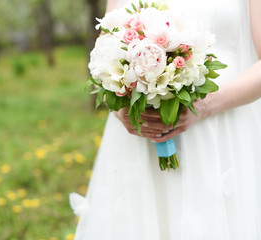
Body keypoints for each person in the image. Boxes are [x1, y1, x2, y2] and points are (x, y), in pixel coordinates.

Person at [70, 0, 261, 239]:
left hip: (219, 132)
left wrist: (206, 106)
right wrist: (118, 109)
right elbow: (104, 54)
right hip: (137, 140)